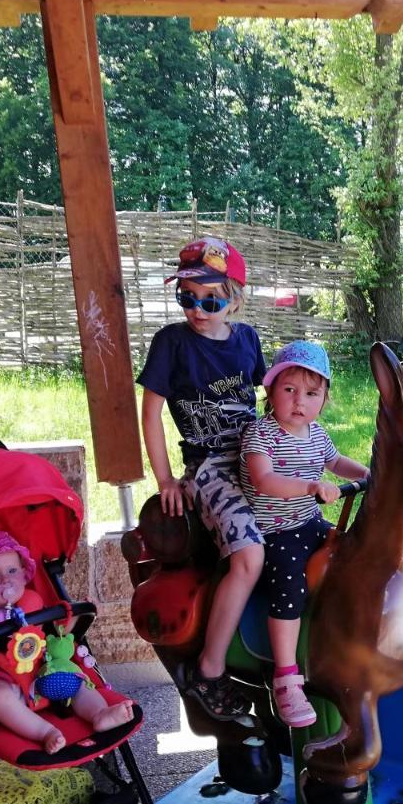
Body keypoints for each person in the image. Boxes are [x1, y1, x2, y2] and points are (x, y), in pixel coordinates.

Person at [137, 237, 267, 720]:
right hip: (210, 464)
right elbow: (150, 414)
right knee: (250, 555)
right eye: (185, 297)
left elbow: (268, 404)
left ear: (234, 298)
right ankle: (209, 671)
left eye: (208, 299)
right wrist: (167, 479)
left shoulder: (247, 340)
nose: (196, 308)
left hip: (255, 457)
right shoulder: (172, 343)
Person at [239, 341, 369, 728]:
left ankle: (347, 642)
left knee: (350, 558)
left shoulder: (316, 433)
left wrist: (367, 474)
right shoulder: (259, 435)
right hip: (274, 529)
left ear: (324, 400)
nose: (299, 402)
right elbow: (264, 481)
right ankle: (286, 677)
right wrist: (312, 487)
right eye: (289, 389)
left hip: (308, 522)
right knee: (290, 587)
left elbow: (336, 461)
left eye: (311, 393)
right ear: (270, 391)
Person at [0, 531, 134, 753]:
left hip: (40, 679)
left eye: (11, 571)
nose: (5, 580)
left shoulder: (31, 607)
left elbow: (56, 635)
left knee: (74, 679)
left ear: (23, 575)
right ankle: (44, 732)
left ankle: (99, 714)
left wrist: (75, 617)